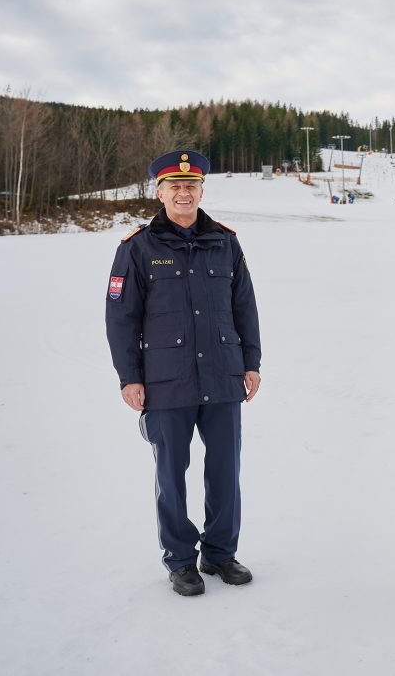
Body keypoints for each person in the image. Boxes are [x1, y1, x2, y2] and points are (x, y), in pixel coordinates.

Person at [106, 150, 262, 597]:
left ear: (201, 191)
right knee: (171, 475)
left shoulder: (225, 242)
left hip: (222, 374)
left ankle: (219, 553)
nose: (183, 192)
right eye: (174, 185)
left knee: (225, 471)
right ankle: (180, 560)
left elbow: (244, 307)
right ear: (159, 192)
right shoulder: (137, 247)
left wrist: (251, 362)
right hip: (165, 379)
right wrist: (129, 376)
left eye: (190, 185)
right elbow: (120, 318)